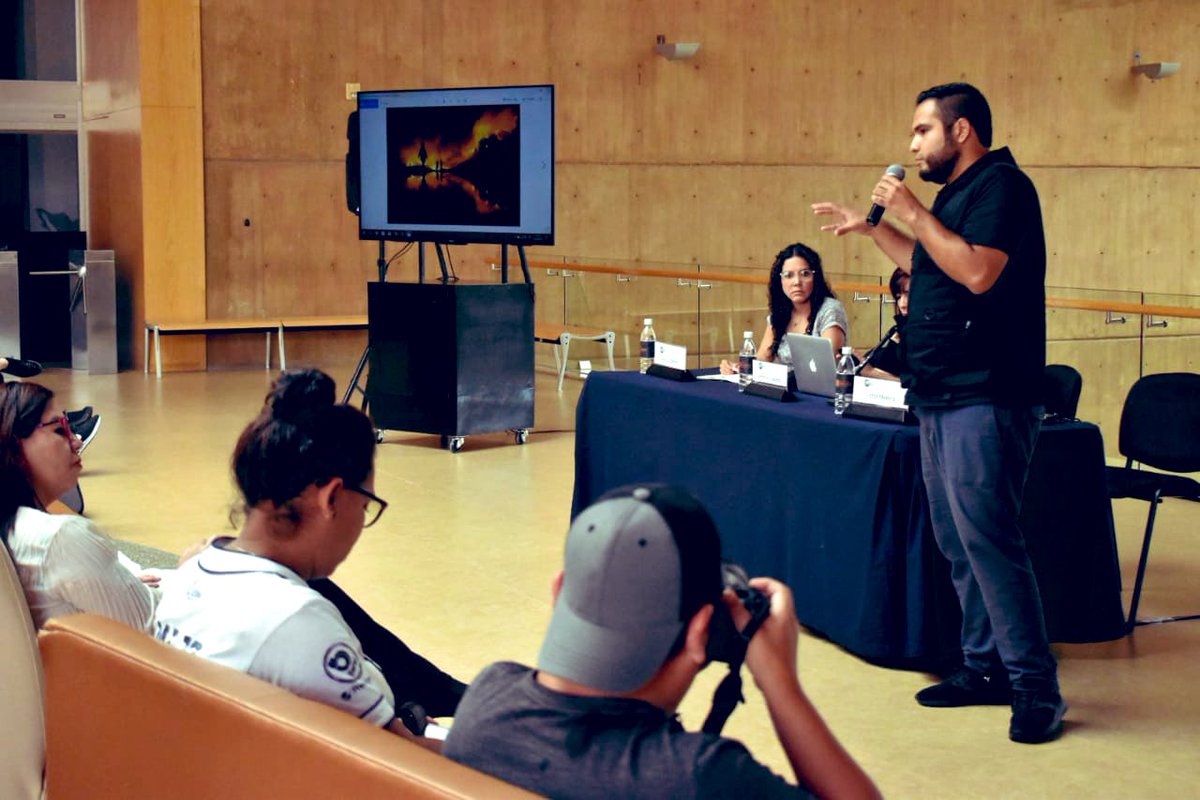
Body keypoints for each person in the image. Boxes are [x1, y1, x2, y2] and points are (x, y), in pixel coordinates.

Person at [812, 82, 1064, 744]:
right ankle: (983, 668)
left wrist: (914, 212)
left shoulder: (1003, 188)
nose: (911, 143)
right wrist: (875, 227)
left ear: (961, 131)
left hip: (987, 392)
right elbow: (929, 266)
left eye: (922, 130)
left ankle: (1036, 685)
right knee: (957, 541)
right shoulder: (954, 198)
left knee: (989, 538)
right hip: (939, 390)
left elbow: (978, 272)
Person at [443, 484, 880, 799]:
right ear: (700, 633)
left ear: (559, 593)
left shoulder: (486, 702)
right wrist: (781, 682)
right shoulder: (698, 776)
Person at [152, 369, 464, 744]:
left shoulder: (192, 571)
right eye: (365, 507)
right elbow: (406, 760)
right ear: (331, 498)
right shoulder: (301, 622)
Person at [0, 380, 155, 630]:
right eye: (60, 430)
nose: (77, 441)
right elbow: (152, 627)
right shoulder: (59, 537)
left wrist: (114, 582)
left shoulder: (14, 529)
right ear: (14, 444)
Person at [720, 242, 848, 374]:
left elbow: (823, 365)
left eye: (805, 274)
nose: (797, 282)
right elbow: (763, 359)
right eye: (788, 275)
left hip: (818, 390)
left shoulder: (830, 310)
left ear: (815, 277)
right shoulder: (780, 312)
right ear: (780, 280)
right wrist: (738, 368)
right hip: (782, 387)